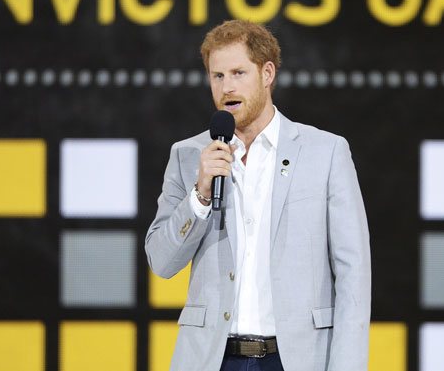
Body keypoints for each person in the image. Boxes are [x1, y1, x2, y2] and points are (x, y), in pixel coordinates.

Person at [145, 20, 371, 371]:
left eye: (238, 72)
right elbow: (161, 261)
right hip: (212, 360)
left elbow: (353, 272)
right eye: (217, 76)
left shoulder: (325, 153)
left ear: (267, 73)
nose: (226, 87)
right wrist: (199, 196)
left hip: (296, 359)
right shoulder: (189, 155)